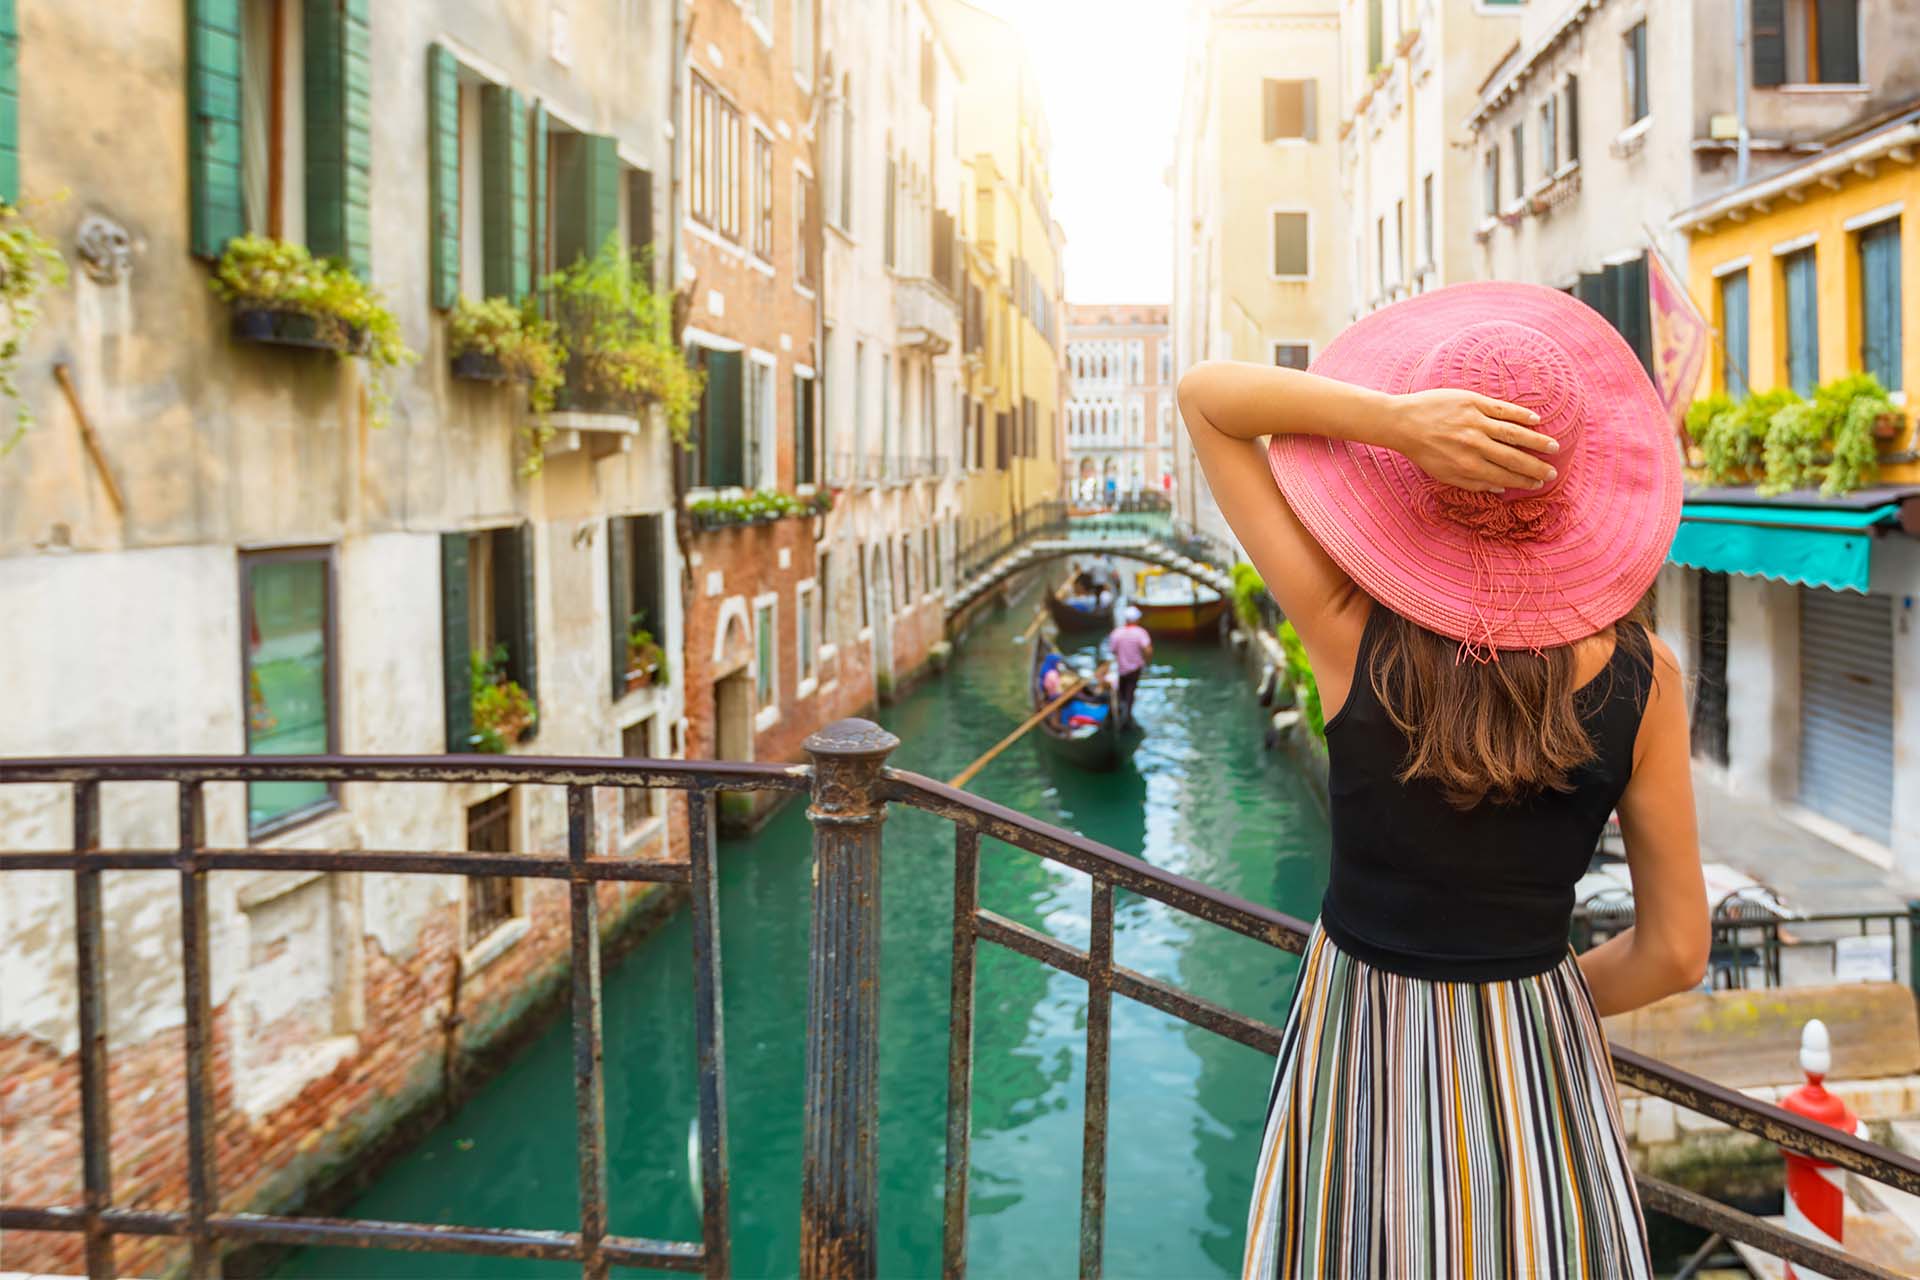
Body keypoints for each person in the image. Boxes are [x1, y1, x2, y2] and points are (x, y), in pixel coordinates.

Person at [1178, 283, 1708, 1279]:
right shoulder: (1651, 678)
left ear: (1420, 480)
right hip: (1533, 1049)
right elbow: (1677, 950)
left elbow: (1208, 397)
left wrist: (1394, 423)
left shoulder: (1344, 629)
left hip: (1360, 1036)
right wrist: (1524, 1001)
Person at [1107, 606, 1152, 730]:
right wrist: (1146, 662)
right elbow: (1148, 650)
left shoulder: (1117, 633)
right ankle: (1126, 718)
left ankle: (1121, 714)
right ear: (1136, 619)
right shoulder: (1140, 632)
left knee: (1122, 692)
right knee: (1130, 693)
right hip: (1135, 669)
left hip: (1122, 669)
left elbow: (1113, 650)